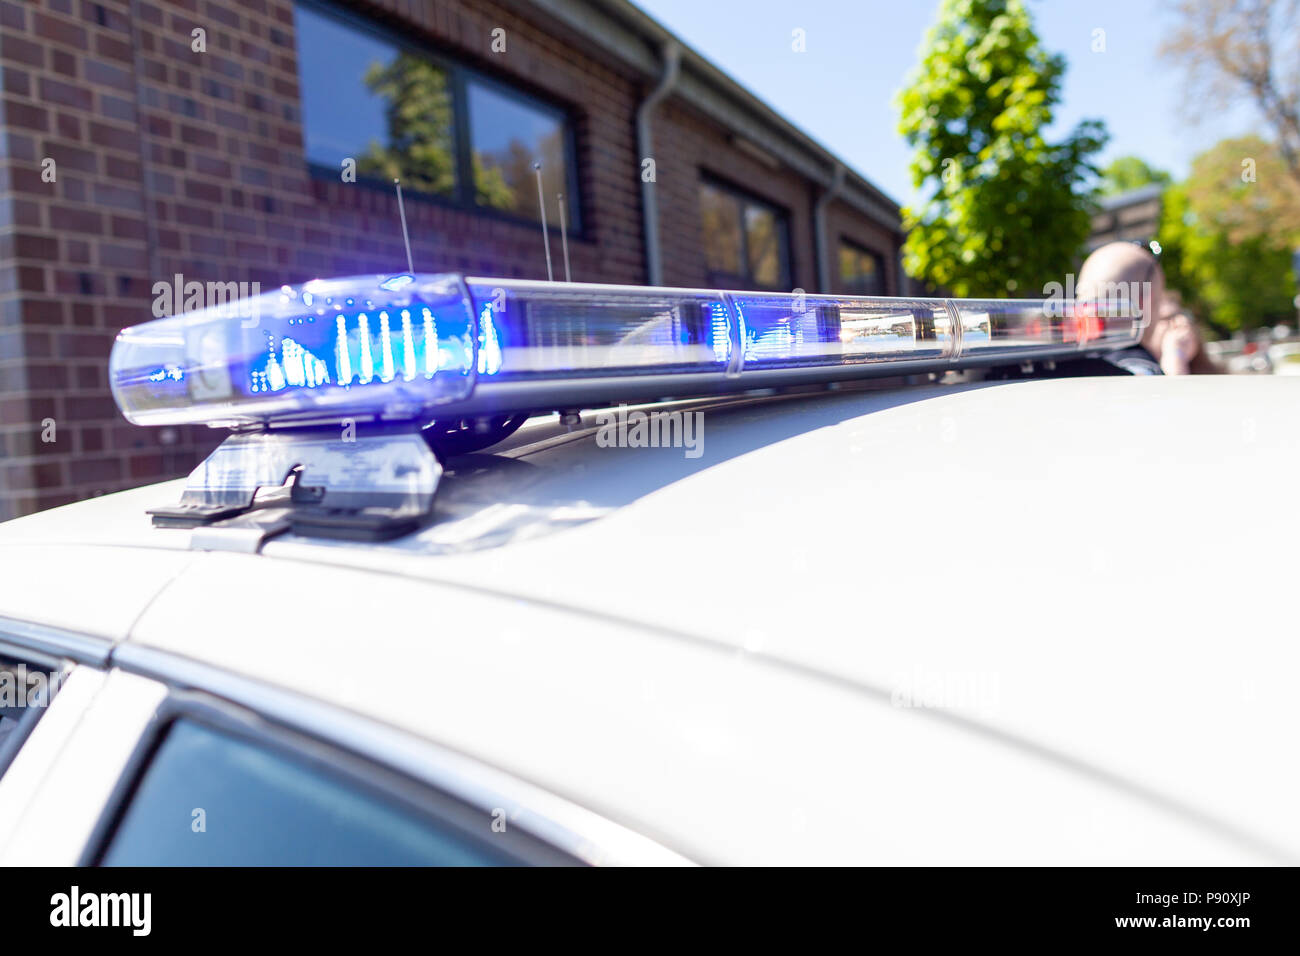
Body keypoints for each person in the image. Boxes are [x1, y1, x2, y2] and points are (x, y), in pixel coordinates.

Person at [1076, 241, 1215, 374]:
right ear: (1146, 300)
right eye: (1159, 299)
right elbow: (1167, 397)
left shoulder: (1063, 363)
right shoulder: (1140, 368)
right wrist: (1175, 357)